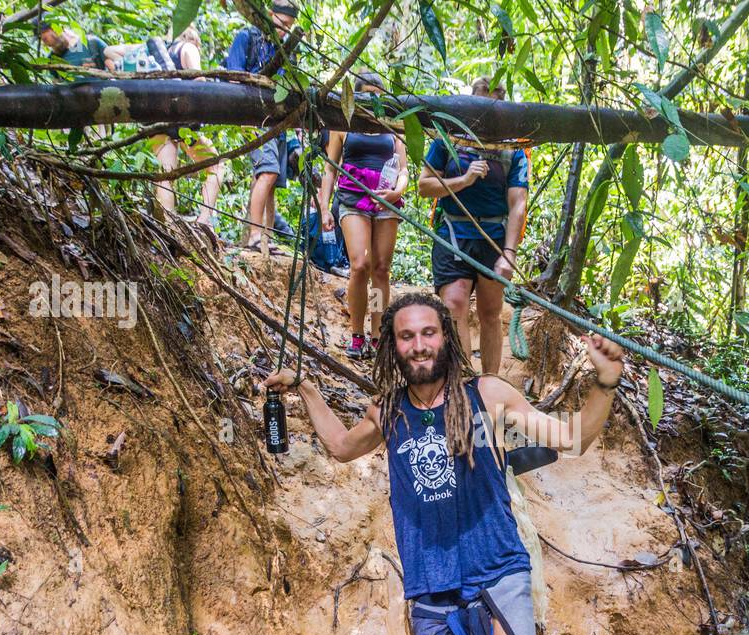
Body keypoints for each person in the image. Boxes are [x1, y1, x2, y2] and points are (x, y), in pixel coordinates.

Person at [261, 292, 625, 635]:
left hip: (497, 572)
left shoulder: (487, 395)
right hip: (432, 585)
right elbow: (340, 446)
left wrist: (605, 382)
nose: (418, 345)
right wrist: (306, 389)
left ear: (447, 339)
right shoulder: (388, 412)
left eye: (428, 333)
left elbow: (572, 439)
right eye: (406, 336)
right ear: (393, 347)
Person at [417, 83, 527, 377]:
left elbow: (518, 203)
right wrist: (464, 180)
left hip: (493, 238)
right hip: (453, 233)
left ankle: (489, 385)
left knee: (491, 313)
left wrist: (509, 253)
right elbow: (424, 186)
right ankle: (464, 382)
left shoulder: (512, 150)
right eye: (477, 106)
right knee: (453, 307)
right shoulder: (448, 140)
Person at [317, 72, 408, 360]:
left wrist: (396, 192)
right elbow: (331, 166)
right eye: (367, 94)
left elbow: (403, 169)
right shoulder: (343, 124)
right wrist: (323, 206)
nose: (373, 99)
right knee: (360, 264)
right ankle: (357, 334)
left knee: (381, 268)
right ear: (356, 96)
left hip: (385, 200)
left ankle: (378, 334)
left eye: (377, 94)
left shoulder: (393, 126)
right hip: (352, 198)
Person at [104, 27, 226, 227]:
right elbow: (199, 82)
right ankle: (204, 221)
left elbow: (109, 51)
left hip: (153, 116)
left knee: (166, 172)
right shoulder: (188, 48)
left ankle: (168, 225)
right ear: (195, 36)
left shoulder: (156, 52)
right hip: (180, 118)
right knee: (216, 165)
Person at [222, 1, 299, 253]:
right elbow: (233, 77)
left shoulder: (288, 47)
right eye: (281, 24)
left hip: (278, 121)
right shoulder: (247, 37)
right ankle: (255, 234)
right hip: (254, 117)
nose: (284, 30)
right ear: (269, 15)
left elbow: (292, 85)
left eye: (289, 27)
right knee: (267, 173)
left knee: (270, 181)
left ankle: (265, 237)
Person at [35, 19, 109, 69]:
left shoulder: (92, 43)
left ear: (56, 29)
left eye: (45, 39)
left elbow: (115, 71)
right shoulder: (52, 59)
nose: (45, 44)